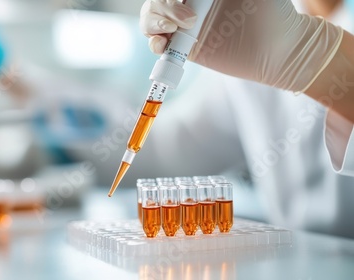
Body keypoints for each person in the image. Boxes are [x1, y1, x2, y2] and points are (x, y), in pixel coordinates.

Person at [131, 0, 354, 238]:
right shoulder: (259, 18)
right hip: (295, 262)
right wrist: (92, 137)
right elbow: (176, 146)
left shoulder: (277, 26)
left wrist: (315, 58)